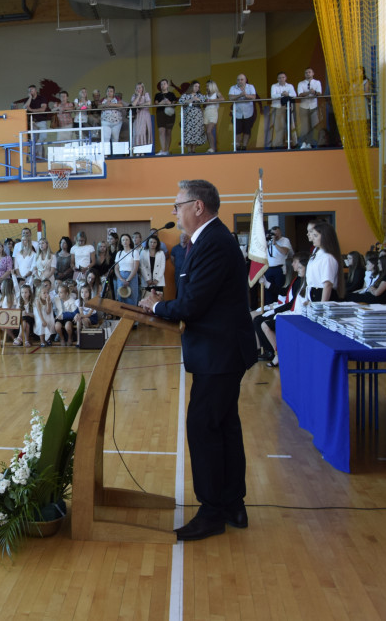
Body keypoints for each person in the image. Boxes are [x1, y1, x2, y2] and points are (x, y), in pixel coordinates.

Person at [138, 179, 255, 541]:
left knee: (203, 428)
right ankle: (233, 503)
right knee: (223, 426)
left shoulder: (214, 242)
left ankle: (211, 511)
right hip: (219, 350)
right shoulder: (206, 240)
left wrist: (155, 306)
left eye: (178, 205)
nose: (174, 211)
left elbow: (193, 305)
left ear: (197, 206)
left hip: (219, 353)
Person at [264, 226, 293, 304]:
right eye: (273, 233)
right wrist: (266, 239)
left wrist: (275, 244)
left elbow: (285, 252)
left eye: (276, 234)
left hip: (279, 269)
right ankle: (268, 306)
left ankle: (279, 305)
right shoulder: (269, 241)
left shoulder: (285, 240)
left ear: (280, 233)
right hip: (269, 268)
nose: (274, 235)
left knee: (279, 290)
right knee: (268, 290)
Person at [229, 74, 257, 151]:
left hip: (248, 112)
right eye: (238, 80)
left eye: (242, 79)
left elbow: (254, 97)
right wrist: (240, 95)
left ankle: (244, 146)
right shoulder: (233, 87)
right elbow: (231, 98)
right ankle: (237, 147)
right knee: (237, 131)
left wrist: (246, 96)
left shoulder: (250, 87)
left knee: (247, 131)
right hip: (237, 113)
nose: (240, 81)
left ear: (245, 80)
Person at [269, 72, 297, 149]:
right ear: (277, 79)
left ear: (286, 78)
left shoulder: (290, 86)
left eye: (283, 77)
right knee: (278, 127)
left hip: (288, 108)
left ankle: (291, 143)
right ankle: (277, 144)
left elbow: (294, 95)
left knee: (290, 125)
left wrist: (287, 94)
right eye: (280, 78)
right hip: (277, 108)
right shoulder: (274, 86)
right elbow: (273, 96)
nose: (281, 79)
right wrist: (282, 94)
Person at [296, 68, 322, 149]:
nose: (308, 74)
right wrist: (309, 92)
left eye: (309, 72)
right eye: (306, 72)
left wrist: (314, 92)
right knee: (304, 126)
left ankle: (309, 143)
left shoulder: (317, 82)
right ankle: (303, 142)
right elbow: (300, 94)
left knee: (311, 125)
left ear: (313, 73)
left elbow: (319, 93)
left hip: (313, 106)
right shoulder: (301, 83)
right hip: (304, 106)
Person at [178, 81, 207, 152]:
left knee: (196, 132)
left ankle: (193, 150)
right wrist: (192, 99)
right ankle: (188, 150)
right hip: (188, 116)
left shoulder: (199, 95)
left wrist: (198, 100)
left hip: (197, 117)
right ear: (192, 87)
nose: (197, 88)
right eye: (195, 86)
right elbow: (181, 101)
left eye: (198, 87)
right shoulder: (185, 95)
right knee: (188, 132)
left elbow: (204, 100)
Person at [154, 79, 177, 155]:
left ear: (167, 85)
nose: (163, 85)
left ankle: (167, 150)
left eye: (164, 84)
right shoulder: (157, 95)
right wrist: (162, 103)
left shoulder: (172, 94)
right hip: (160, 113)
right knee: (161, 131)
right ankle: (163, 150)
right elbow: (156, 104)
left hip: (170, 115)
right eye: (161, 84)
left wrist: (169, 103)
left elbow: (174, 104)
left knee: (168, 132)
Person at [202, 80, 224, 154]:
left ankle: (213, 148)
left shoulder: (217, 93)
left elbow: (222, 99)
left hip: (213, 112)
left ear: (212, 86)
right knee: (207, 132)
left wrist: (211, 100)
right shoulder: (206, 95)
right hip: (206, 112)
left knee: (209, 130)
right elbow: (204, 105)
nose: (206, 87)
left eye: (207, 86)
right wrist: (205, 102)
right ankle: (211, 147)